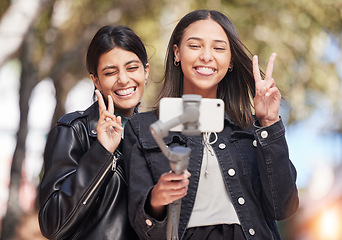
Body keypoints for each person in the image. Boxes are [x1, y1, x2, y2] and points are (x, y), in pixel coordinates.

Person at [123, 10, 299, 240]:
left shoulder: (251, 128)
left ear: (231, 60)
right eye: (195, 46)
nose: (207, 56)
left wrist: (269, 123)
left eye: (218, 48)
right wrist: (156, 199)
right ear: (177, 52)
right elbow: (144, 228)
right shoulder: (142, 128)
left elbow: (283, 207)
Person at [38, 25, 149, 240]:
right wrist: (102, 152)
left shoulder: (155, 133)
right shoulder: (73, 131)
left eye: (132, 68)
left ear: (146, 72)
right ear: (96, 80)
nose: (124, 79)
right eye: (110, 72)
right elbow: (52, 224)